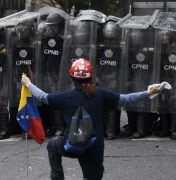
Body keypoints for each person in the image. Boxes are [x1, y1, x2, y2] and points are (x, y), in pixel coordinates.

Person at [21, 58, 163, 180]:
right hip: (94, 147)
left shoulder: (64, 97)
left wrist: (28, 83)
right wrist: (148, 92)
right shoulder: (100, 94)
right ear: (91, 77)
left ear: (71, 77)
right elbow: (126, 99)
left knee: (52, 145)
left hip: (71, 145)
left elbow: (43, 97)